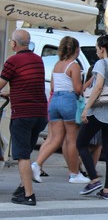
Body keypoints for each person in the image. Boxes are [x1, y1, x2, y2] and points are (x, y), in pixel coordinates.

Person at [31, 36, 90, 185]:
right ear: (76, 50)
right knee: (72, 139)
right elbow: (77, 89)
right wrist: (89, 83)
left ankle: (36, 164)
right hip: (68, 101)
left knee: (54, 139)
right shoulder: (74, 66)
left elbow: (52, 87)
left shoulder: (57, 65)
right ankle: (74, 173)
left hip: (54, 101)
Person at [0, 29, 49, 206]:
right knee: (27, 152)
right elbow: (28, 85)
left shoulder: (12, 61)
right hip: (40, 113)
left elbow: (1, 82)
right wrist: (11, 94)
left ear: (14, 43)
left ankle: (28, 195)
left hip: (23, 115)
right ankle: (23, 186)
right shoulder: (38, 60)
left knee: (22, 156)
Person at [76, 32, 108, 200]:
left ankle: (94, 178)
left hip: (100, 112)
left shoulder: (101, 63)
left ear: (102, 48)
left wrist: (86, 109)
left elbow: (97, 88)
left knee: (81, 142)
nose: (96, 51)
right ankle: (107, 190)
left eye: (97, 48)